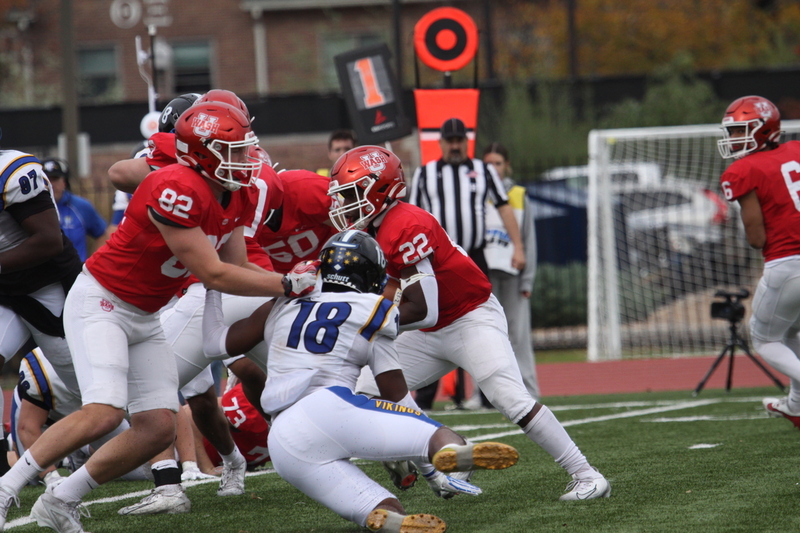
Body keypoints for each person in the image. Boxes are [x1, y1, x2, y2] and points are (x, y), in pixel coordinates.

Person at [0, 101, 316, 531]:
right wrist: (284, 286)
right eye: (235, 151)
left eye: (245, 149)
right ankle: (7, 487)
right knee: (106, 410)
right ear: (203, 153)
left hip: (145, 314)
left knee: (156, 429)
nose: (247, 161)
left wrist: (291, 276)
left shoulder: (237, 193)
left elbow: (238, 265)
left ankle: (61, 501)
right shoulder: (175, 187)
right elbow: (213, 273)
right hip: (102, 302)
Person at [330, 146, 611, 501]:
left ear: (379, 188)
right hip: (429, 329)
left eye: (351, 194)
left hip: (468, 316)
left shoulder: (406, 224)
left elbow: (424, 308)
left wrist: (367, 323)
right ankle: (446, 455)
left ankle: (586, 475)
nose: (343, 204)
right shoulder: (373, 228)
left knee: (509, 398)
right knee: (361, 391)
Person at [202, 229, 520, 533]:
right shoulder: (374, 309)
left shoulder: (282, 302)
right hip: (328, 408)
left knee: (382, 509)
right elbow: (397, 395)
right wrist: (428, 463)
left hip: (284, 441)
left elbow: (214, 344)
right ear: (370, 276)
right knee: (436, 436)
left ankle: (389, 515)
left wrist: (210, 284)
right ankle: (452, 449)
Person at [407, 118, 526, 409]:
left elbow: (503, 205)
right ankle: (425, 397)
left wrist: (518, 246)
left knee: (479, 320)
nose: (456, 145)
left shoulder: (483, 170)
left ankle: (487, 394)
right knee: (431, 319)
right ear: (442, 143)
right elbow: (410, 215)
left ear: (466, 142)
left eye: (460, 140)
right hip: (435, 261)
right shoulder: (425, 174)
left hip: (473, 256)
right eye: (451, 140)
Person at [716, 96, 800, 428]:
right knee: (791, 330)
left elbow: (757, 238)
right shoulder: (795, 151)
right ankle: (795, 406)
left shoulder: (743, 169)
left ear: (765, 130)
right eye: (733, 132)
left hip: (788, 264)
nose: (734, 139)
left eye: (741, 131)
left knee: (765, 340)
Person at [0, 148, 83, 474]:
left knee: (93, 395)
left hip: (49, 289)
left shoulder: (11, 171)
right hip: (6, 291)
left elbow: (49, 240)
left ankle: (162, 451)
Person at [465, 143, 539, 409]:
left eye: (498, 163)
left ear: (507, 165)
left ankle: (528, 391)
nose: (493, 169)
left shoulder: (518, 194)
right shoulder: (474, 193)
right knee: (481, 334)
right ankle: (481, 395)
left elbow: (529, 239)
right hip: (483, 274)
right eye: (488, 164)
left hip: (512, 274)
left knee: (517, 337)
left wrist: (527, 277)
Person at [8, 348, 150, 486]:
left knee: (141, 470)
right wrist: (51, 477)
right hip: (45, 420)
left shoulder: (121, 353)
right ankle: (11, 442)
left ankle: (80, 449)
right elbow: (28, 428)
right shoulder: (48, 368)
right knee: (30, 476)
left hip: (96, 418)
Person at [41, 158, 110, 262]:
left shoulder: (81, 206)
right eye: (46, 179)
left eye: (55, 179)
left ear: (64, 182)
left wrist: (92, 264)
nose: (51, 184)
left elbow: (102, 235)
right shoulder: (31, 209)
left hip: (76, 274)